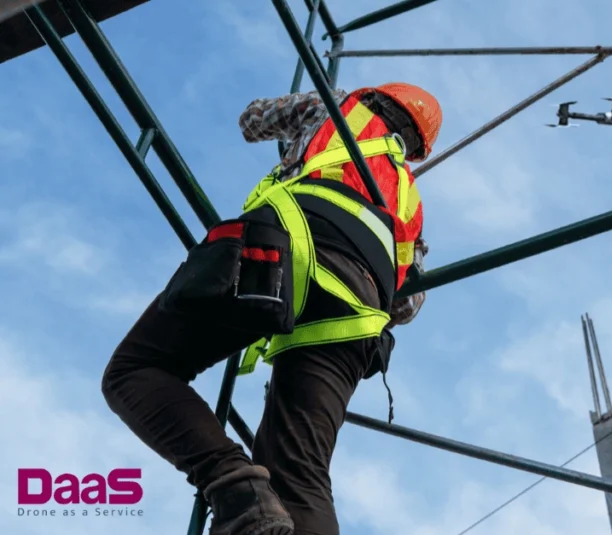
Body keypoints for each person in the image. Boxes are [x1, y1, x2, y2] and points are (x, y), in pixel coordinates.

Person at [100, 82, 442, 535]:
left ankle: (236, 487)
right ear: (416, 148)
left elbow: (252, 120)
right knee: (301, 476)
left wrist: (296, 151)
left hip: (283, 258)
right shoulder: (410, 205)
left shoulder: (334, 107)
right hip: (354, 316)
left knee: (135, 370)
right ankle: (259, 502)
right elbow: (407, 304)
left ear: (375, 97)